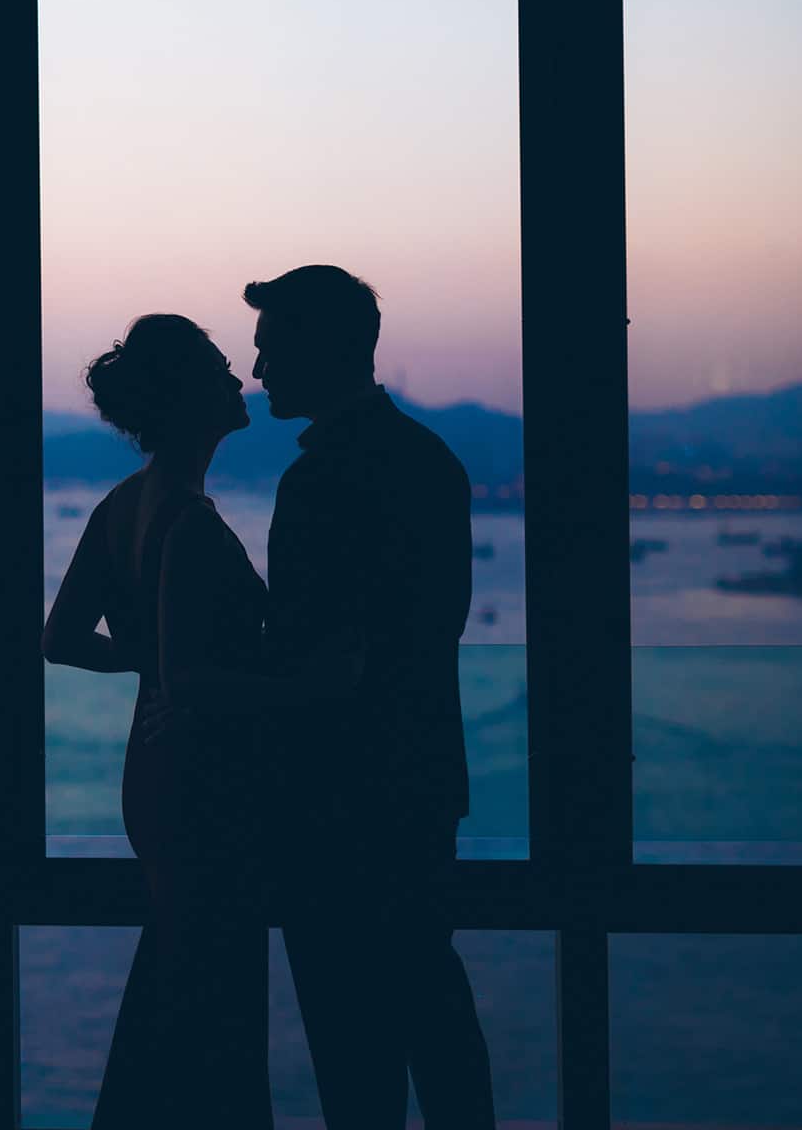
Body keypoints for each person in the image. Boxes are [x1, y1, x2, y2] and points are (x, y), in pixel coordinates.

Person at [246, 264, 497, 1128]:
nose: (258, 372)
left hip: (331, 801)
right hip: (418, 785)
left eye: (271, 350)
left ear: (320, 349)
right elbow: (433, 629)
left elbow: (311, 654)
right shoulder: (431, 461)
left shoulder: (319, 481)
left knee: (352, 1045)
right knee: (432, 1005)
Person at [40, 314, 277, 1129]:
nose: (238, 377)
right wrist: (314, 682)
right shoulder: (192, 524)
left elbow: (60, 641)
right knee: (217, 986)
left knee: (182, 976)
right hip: (208, 783)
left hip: (154, 773)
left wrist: (151, 664)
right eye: (219, 369)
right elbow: (202, 679)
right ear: (188, 399)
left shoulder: (121, 507)